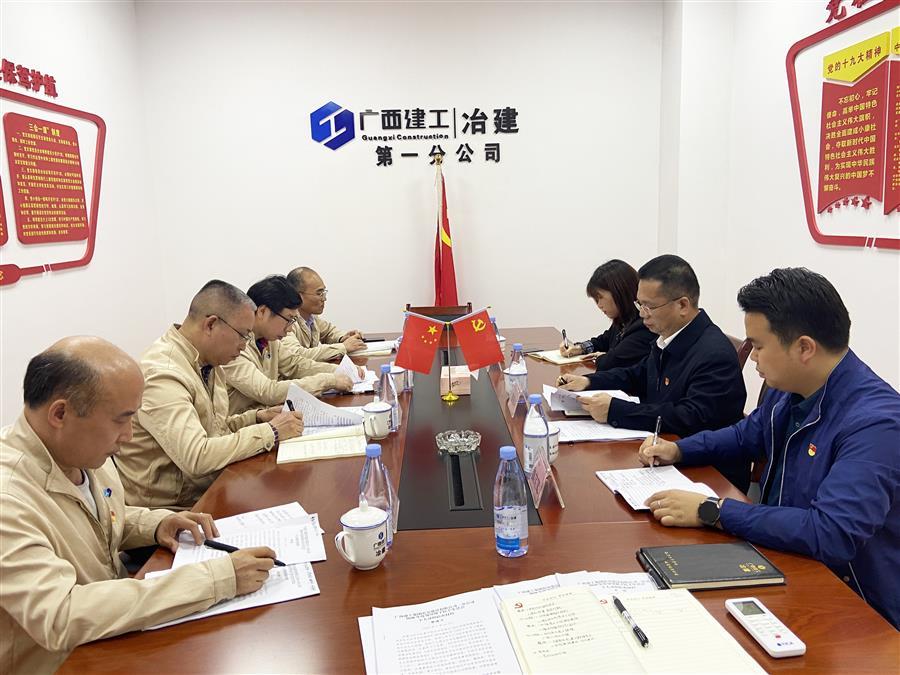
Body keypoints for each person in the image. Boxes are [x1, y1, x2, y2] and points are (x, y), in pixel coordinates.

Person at [639, 268, 900, 629]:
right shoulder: (790, 387)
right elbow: (746, 435)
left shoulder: (875, 424)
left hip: (854, 607)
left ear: (804, 348)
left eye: (759, 346)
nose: (752, 358)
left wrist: (713, 511)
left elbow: (831, 534)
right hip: (781, 558)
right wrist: (679, 450)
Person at [0, 337, 279, 673]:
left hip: (113, 633)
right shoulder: (9, 498)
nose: (129, 436)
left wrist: (154, 524)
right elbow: (62, 615)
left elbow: (90, 517)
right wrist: (217, 578)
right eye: (121, 420)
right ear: (60, 414)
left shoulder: (79, 451)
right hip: (62, 661)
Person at [559, 254, 748, 490]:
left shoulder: (714, 354)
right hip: (662, 453)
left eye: (649, 306)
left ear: (682, 305)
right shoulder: (668, 337)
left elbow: (688, 418)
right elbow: (638, 374)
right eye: (639, 304)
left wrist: (616, 410)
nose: (642, 313)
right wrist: (588, 382)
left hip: (708, 475)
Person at [115, 280, 304, 510]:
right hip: (174, 511)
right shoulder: (163, 373)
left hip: (211, 488)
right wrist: (271, 431)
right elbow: (197, 456)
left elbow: (215, 429)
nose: (244, 346)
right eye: (243, 335)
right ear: (211, 324)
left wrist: (256, 418)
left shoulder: (208, 361)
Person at [223, 275, 355, 414]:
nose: (290, 329)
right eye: (289, 319)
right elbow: (268, 391)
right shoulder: (234, 346)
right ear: (262, 312)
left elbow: (295, 365)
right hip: (245, 424)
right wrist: (327, 380)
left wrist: (338, 370)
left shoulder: (269, 340)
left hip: (270, 417)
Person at [558, 259, 655, 371]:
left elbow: (612, 361)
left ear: (619, 293)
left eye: (600, 297)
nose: (599, 305)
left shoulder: (644, 325)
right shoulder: (623, 320)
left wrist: (600, 357)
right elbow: (604, 340)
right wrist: (580, 348)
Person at [284, 266, 365, 361]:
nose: (324, 299)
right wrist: (343, 347)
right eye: (319, 294)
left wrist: (343, 338)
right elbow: (296, 355)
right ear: (297, 295)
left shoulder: (311, 317)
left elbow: (329, 332)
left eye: (324, 292)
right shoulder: (286, 321)